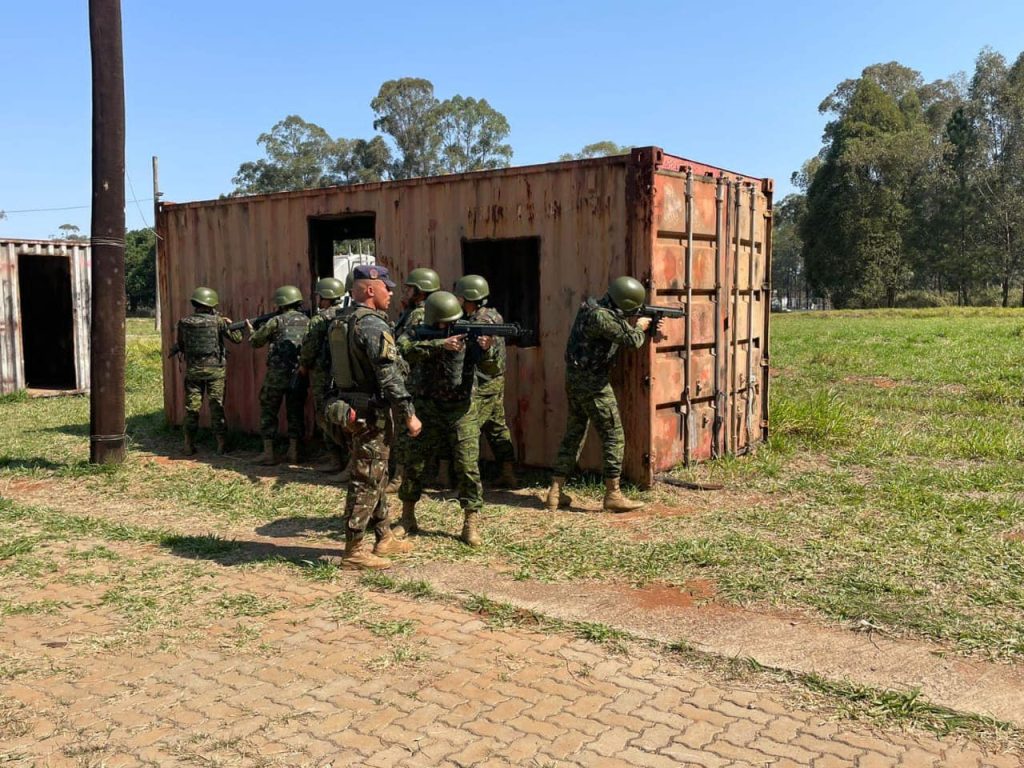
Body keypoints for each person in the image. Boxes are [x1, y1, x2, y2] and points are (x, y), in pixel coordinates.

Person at [321, 264, 422, 569]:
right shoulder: (373, 325)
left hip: (353, 406)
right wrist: (408, 414)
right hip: (371, 413)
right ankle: (354, 550)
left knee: (376, 473)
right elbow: (389, 375)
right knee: (366, 478)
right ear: (369, 290)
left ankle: (384, 536)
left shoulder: (342, 320)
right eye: (386, 287)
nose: (391, 292)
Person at [545, 276, 653, 513]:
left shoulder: (592, 308)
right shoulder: (601, 316)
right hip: (593, 384)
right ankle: (613, 494)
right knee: (613, 435)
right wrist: (641, 327)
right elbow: (631, 340)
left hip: (575, 379)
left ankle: (555, 492)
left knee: (574, 434)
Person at [395, 291, 484, 547]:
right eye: (445, 323)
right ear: (433, 321)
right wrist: (438, 345)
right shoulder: (416, 332)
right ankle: (407, 517)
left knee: (468, 465)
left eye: (454, 321)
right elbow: (403, 350)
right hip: (427, 405)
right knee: (414, 463)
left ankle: (471, 523)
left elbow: (490, 368)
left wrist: (485, 350)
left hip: (461, 409)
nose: (451, 327)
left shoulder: (471, 333)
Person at [453, 274, 517, 488]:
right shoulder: (491, 315)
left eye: (460, 296)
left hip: (483, 384)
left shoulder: (481, 321)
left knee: (467, 430)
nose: (458, 300)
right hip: (493, 381)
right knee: (497, 427)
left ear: (469, 297)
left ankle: (465, 482)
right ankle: (508, 474)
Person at [387, 267, 442, 493]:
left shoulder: (420, 315)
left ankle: (401, 477)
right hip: (413, 380)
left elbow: (405, 346)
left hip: (416, 381)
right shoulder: (411, 312)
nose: (406, 290)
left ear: (421, 291)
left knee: (406, 431)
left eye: (410, 287)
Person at [173, 286, 242, 455]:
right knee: (216, 407)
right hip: (215, 372)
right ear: (211, 304)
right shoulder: (218, 322)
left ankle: (188, 445)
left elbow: (181, 345)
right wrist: (230, 324)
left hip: (194, 371)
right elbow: (237, 339)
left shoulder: (184, 322)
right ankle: (221, 445)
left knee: (192, 408)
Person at [249, 285, 310, 466]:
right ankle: (294, 452)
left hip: (277, 375)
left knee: (269, 410)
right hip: (298, 375)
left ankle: (268, 453)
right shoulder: (307, 320)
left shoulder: (275, 321)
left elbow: (256, 342)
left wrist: (251, 330)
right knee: (295, 412)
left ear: (281, 303)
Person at [298, 276, 350, 475]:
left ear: (326, 297)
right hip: (344, 374)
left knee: (325, 416)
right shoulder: (346, 314)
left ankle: (336, 458)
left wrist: (303, 366)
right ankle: (349, 457)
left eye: (320, 296)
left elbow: (309, 347)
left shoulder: (319, 319)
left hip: (323, 375)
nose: (318, 299)